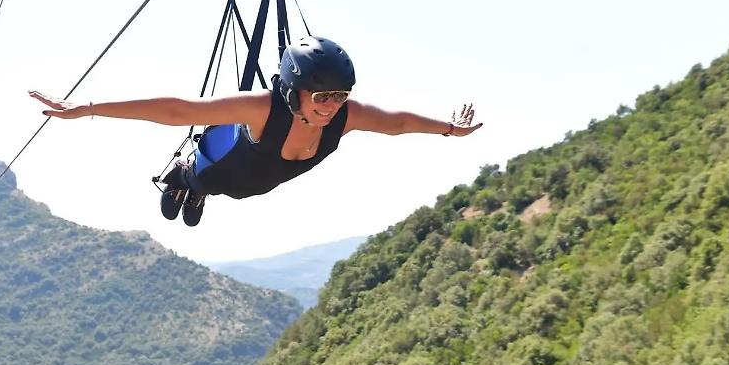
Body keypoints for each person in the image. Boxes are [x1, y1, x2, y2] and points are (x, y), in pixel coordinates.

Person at [29, 36, 483, 226]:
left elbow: (397, 123)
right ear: (294, 91)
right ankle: (183, 175)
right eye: (322, 96)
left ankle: (197, 187)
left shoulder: (346, 117)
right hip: (222, 167)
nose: (332, 106)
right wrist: (87, 109)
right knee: (202, 182)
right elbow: (177, 109)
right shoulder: (263, 109)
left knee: (236, 192)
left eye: (340, 95)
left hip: (254, 184)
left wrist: (448, 129)